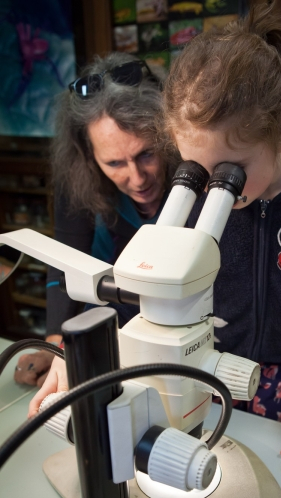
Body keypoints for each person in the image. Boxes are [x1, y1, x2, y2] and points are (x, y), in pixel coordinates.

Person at [29, 3, 281, 487]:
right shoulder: (186, 183)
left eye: (230, 173)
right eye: (195, 169)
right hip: (208, 368)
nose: (212, 188)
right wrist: (73, 353)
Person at [15, 52, 176, 388]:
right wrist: (54, 341)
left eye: (146, 153)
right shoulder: (77, 175)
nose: (137, 178)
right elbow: (65, 260)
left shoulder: (194, 164)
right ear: (89, 157)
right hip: (113, 312)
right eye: (114, 163)